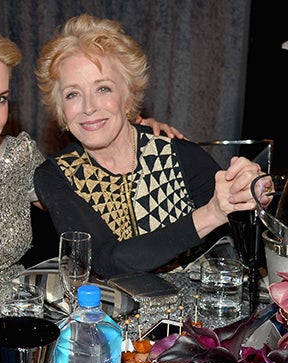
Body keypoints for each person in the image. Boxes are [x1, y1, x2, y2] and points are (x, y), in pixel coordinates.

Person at [0, 24, 179, 339]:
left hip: (28, 324)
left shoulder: (16, 156)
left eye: (0, 99)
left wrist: (132, 136)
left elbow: (88, 201)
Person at [34, 13, 263, 279]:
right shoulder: (57, 175)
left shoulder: (178, 154)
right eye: (73, 94)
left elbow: (253, 250)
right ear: (61, 111)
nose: (88, 107)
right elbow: (107, 262)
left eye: (103, 89)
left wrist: (253, 199)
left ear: (128, 97)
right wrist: (211, 215)